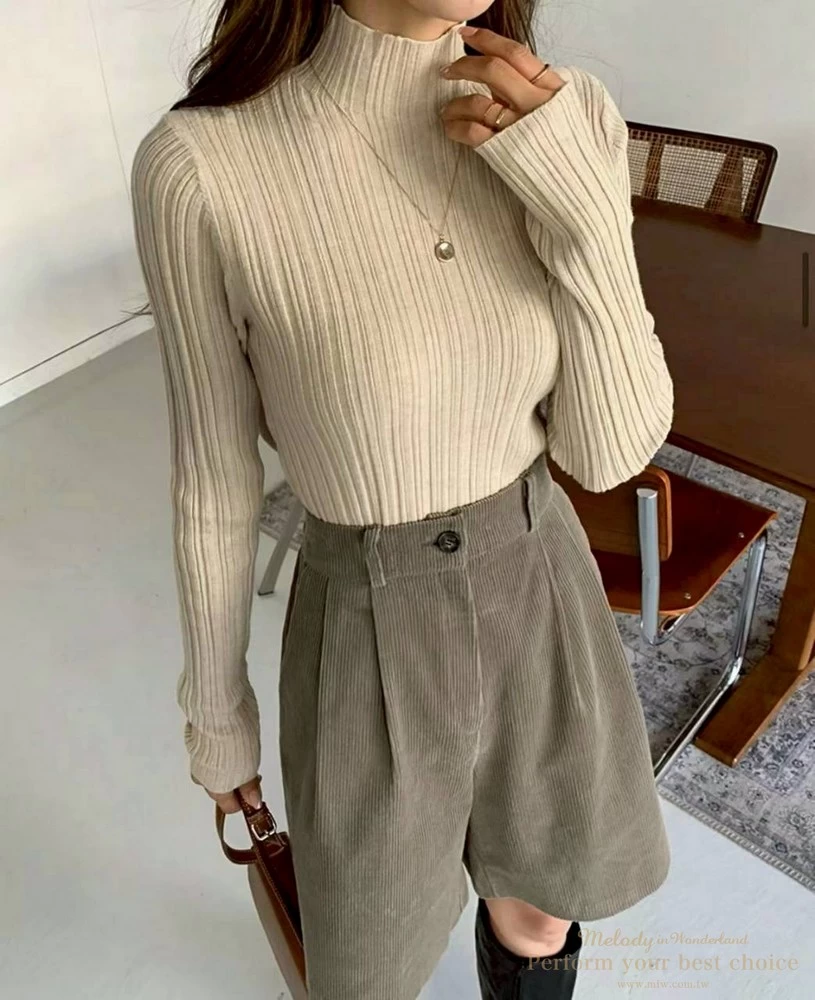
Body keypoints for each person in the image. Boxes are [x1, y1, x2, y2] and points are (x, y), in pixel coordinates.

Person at [130, 1, 674, 997]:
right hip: (367, 621)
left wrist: (587, 218)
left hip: (541, 587)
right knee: (369, 965)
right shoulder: (202, 164)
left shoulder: (563, 115)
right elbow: (213, 473)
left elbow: (605, 454)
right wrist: (216, 712)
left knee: (540, 907)